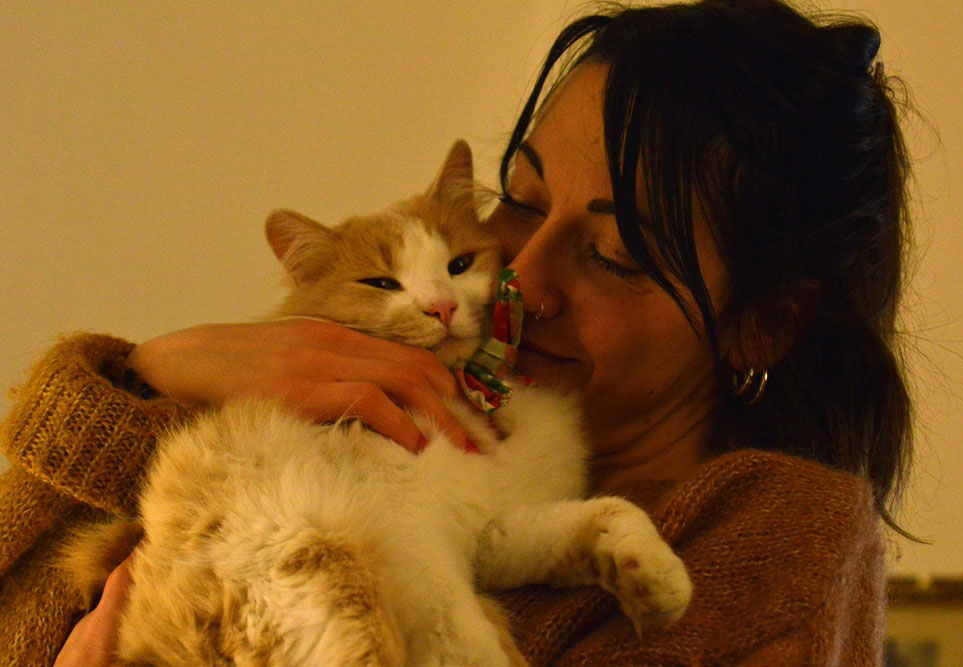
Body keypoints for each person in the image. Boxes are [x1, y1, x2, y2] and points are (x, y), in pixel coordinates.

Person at [1, 0, 915, 663]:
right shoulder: (399, 413)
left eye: (613, 253)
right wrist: (142, 382)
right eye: (517, 204)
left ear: (763, 325)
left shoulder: (770, 534)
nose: (524, 276)